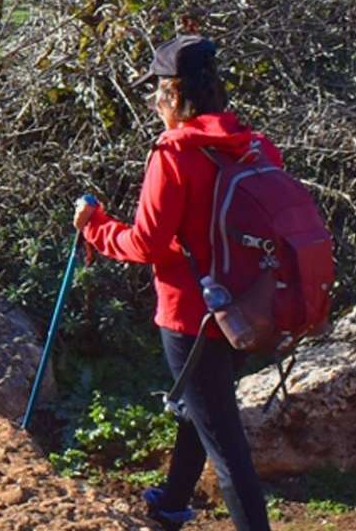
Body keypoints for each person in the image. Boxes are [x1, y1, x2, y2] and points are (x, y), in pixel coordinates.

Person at [73, 34, 275, 531]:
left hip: (191, 313)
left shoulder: (174, 153)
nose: (153, 103)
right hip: (246, 307)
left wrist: (93, 227)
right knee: (201, 404)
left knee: (226, 446)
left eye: (155, 92)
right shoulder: (254, 144)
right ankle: (172, 501)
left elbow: (147, 244)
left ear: (171, 94)